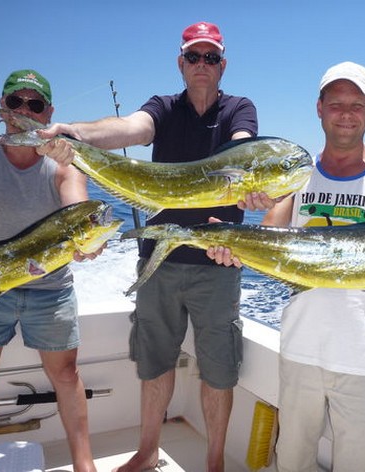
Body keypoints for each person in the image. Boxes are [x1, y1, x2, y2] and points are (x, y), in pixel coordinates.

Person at [40, 22, 275, 472]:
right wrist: (76, 135)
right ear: (180, 62)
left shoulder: (239, 109)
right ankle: (147, 453)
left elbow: (244, 146)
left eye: (210, 57)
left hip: (217, 262)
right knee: (154, 363)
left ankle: (213, 464)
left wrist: (253, 177)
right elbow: (129, 128)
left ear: (222, 64)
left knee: (219, 371)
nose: (201, 65)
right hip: (158, 262)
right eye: (193, 56)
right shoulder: (163, 108)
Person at [208, 61, 365, 471]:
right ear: (319, 108)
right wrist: (234, 247)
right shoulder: (295, 176)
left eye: (356, 104)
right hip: (301, 348)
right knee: (293, 462)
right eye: (336, 104)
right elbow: (268, 240)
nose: (347, 113)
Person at [0, 69, 101, 472]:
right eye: (16, 102)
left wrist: (86, 242)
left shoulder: (65, 164)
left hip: (50, 288)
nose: (24, 111)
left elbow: (75, 211)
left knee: (66, 373)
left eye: (35, 105)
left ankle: (85, 465)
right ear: (2, 107)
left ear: (49, 114)